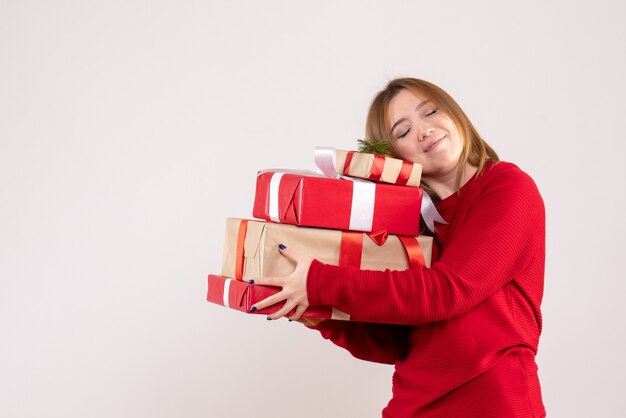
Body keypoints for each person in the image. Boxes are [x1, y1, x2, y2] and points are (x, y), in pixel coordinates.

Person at [251, 78, 546, 418]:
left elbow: (445, 292)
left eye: (431, 111)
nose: (423, 130)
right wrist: (319, 315)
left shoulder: (508, 188)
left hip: (492, 405)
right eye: (403, 131)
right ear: (392, 155)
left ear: (455, 114)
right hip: (413, 407)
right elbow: (398, 343)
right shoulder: (412, 223)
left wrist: (320, 281)